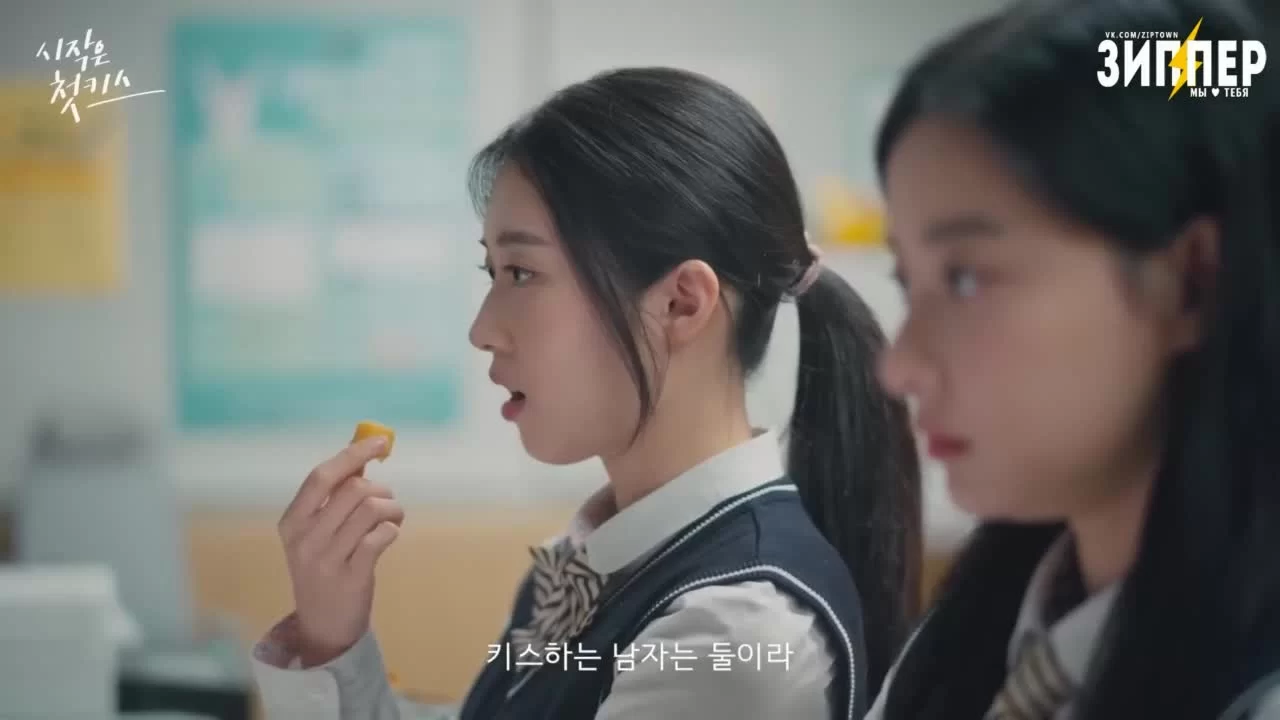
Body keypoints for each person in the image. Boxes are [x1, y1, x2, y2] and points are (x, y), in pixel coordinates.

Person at [251, 67, 922, 719]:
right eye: (492, 270)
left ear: (682, 304)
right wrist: (330, 637)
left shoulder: (733, 636)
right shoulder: (594, 558)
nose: (482, 330)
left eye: (521, 272)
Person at [863, 0, 1280, 718]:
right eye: (909, 282)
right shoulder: (971, 637)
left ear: (1192, 282)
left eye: (966, 279)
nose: (898, 368)